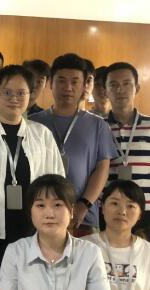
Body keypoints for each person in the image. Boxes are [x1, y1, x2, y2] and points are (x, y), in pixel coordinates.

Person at [0, 65, 64, 288]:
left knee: (32, 286)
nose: (14, 98)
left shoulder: (42, 134)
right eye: (6, 92)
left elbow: (58, 181)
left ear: (30, 95)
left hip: (32, 226)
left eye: (21, 93)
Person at [31, 53, 118, 236]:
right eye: (61, 81)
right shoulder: (33, 123)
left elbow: (102, 169)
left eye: (75, 81)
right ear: (51, 83)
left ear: (84, 85)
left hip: (83, 217)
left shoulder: (98, 125)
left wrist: (84, 204)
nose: (68, 88)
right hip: (40, 216)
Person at [105, 61, 150, 229]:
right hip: (109, 208)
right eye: (113, 85)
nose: (120, 90)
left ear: (137, 88)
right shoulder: (99, 127)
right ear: (105, 90)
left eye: (126, 84)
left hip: (146, 207)